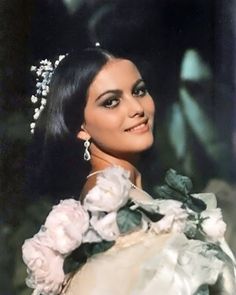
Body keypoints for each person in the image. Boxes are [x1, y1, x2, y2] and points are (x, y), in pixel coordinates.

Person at [22, 47, 236, 295]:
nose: (137, 108)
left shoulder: (127, 195)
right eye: (111, 102)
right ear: (81, 127)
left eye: (139, 91)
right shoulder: (108, 206)